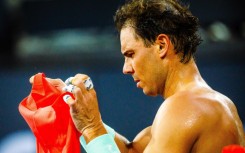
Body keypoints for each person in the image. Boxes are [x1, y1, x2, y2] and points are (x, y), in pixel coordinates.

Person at [30, 0, 245, 152]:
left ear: (161, 45)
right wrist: (81, 115)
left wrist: (91, 127)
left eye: (131, 54)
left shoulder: (185, 109)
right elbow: (132, 151)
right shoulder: (201, 105)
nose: (126, 68)